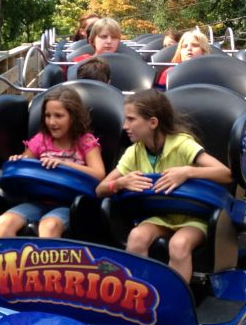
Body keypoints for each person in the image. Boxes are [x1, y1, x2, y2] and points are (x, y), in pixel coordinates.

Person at [96, 89, 231, 282]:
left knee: (179, 244)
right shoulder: (134, 152)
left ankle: (173, 303)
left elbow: (225, 174)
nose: (125, 126)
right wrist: (119, 183)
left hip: (193, 218)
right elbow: (100, 189)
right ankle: (138, 295)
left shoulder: (182, 144)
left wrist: (187, 171)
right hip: (159, 216)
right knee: (136, 237)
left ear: (152, 122)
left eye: (131, 119)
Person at [0, 87, 105, 238]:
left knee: (49, 226)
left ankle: (48, 262)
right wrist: (18, 161)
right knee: (4, 221)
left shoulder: (85, 142)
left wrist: (63, 165)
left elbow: (99, 174)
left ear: (73, 117)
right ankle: (6, 260)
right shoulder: (41, 140)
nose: (52, 122)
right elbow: (25, 162)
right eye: (47, 116)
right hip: (38, 201)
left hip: (69, 205)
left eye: (59, 116)